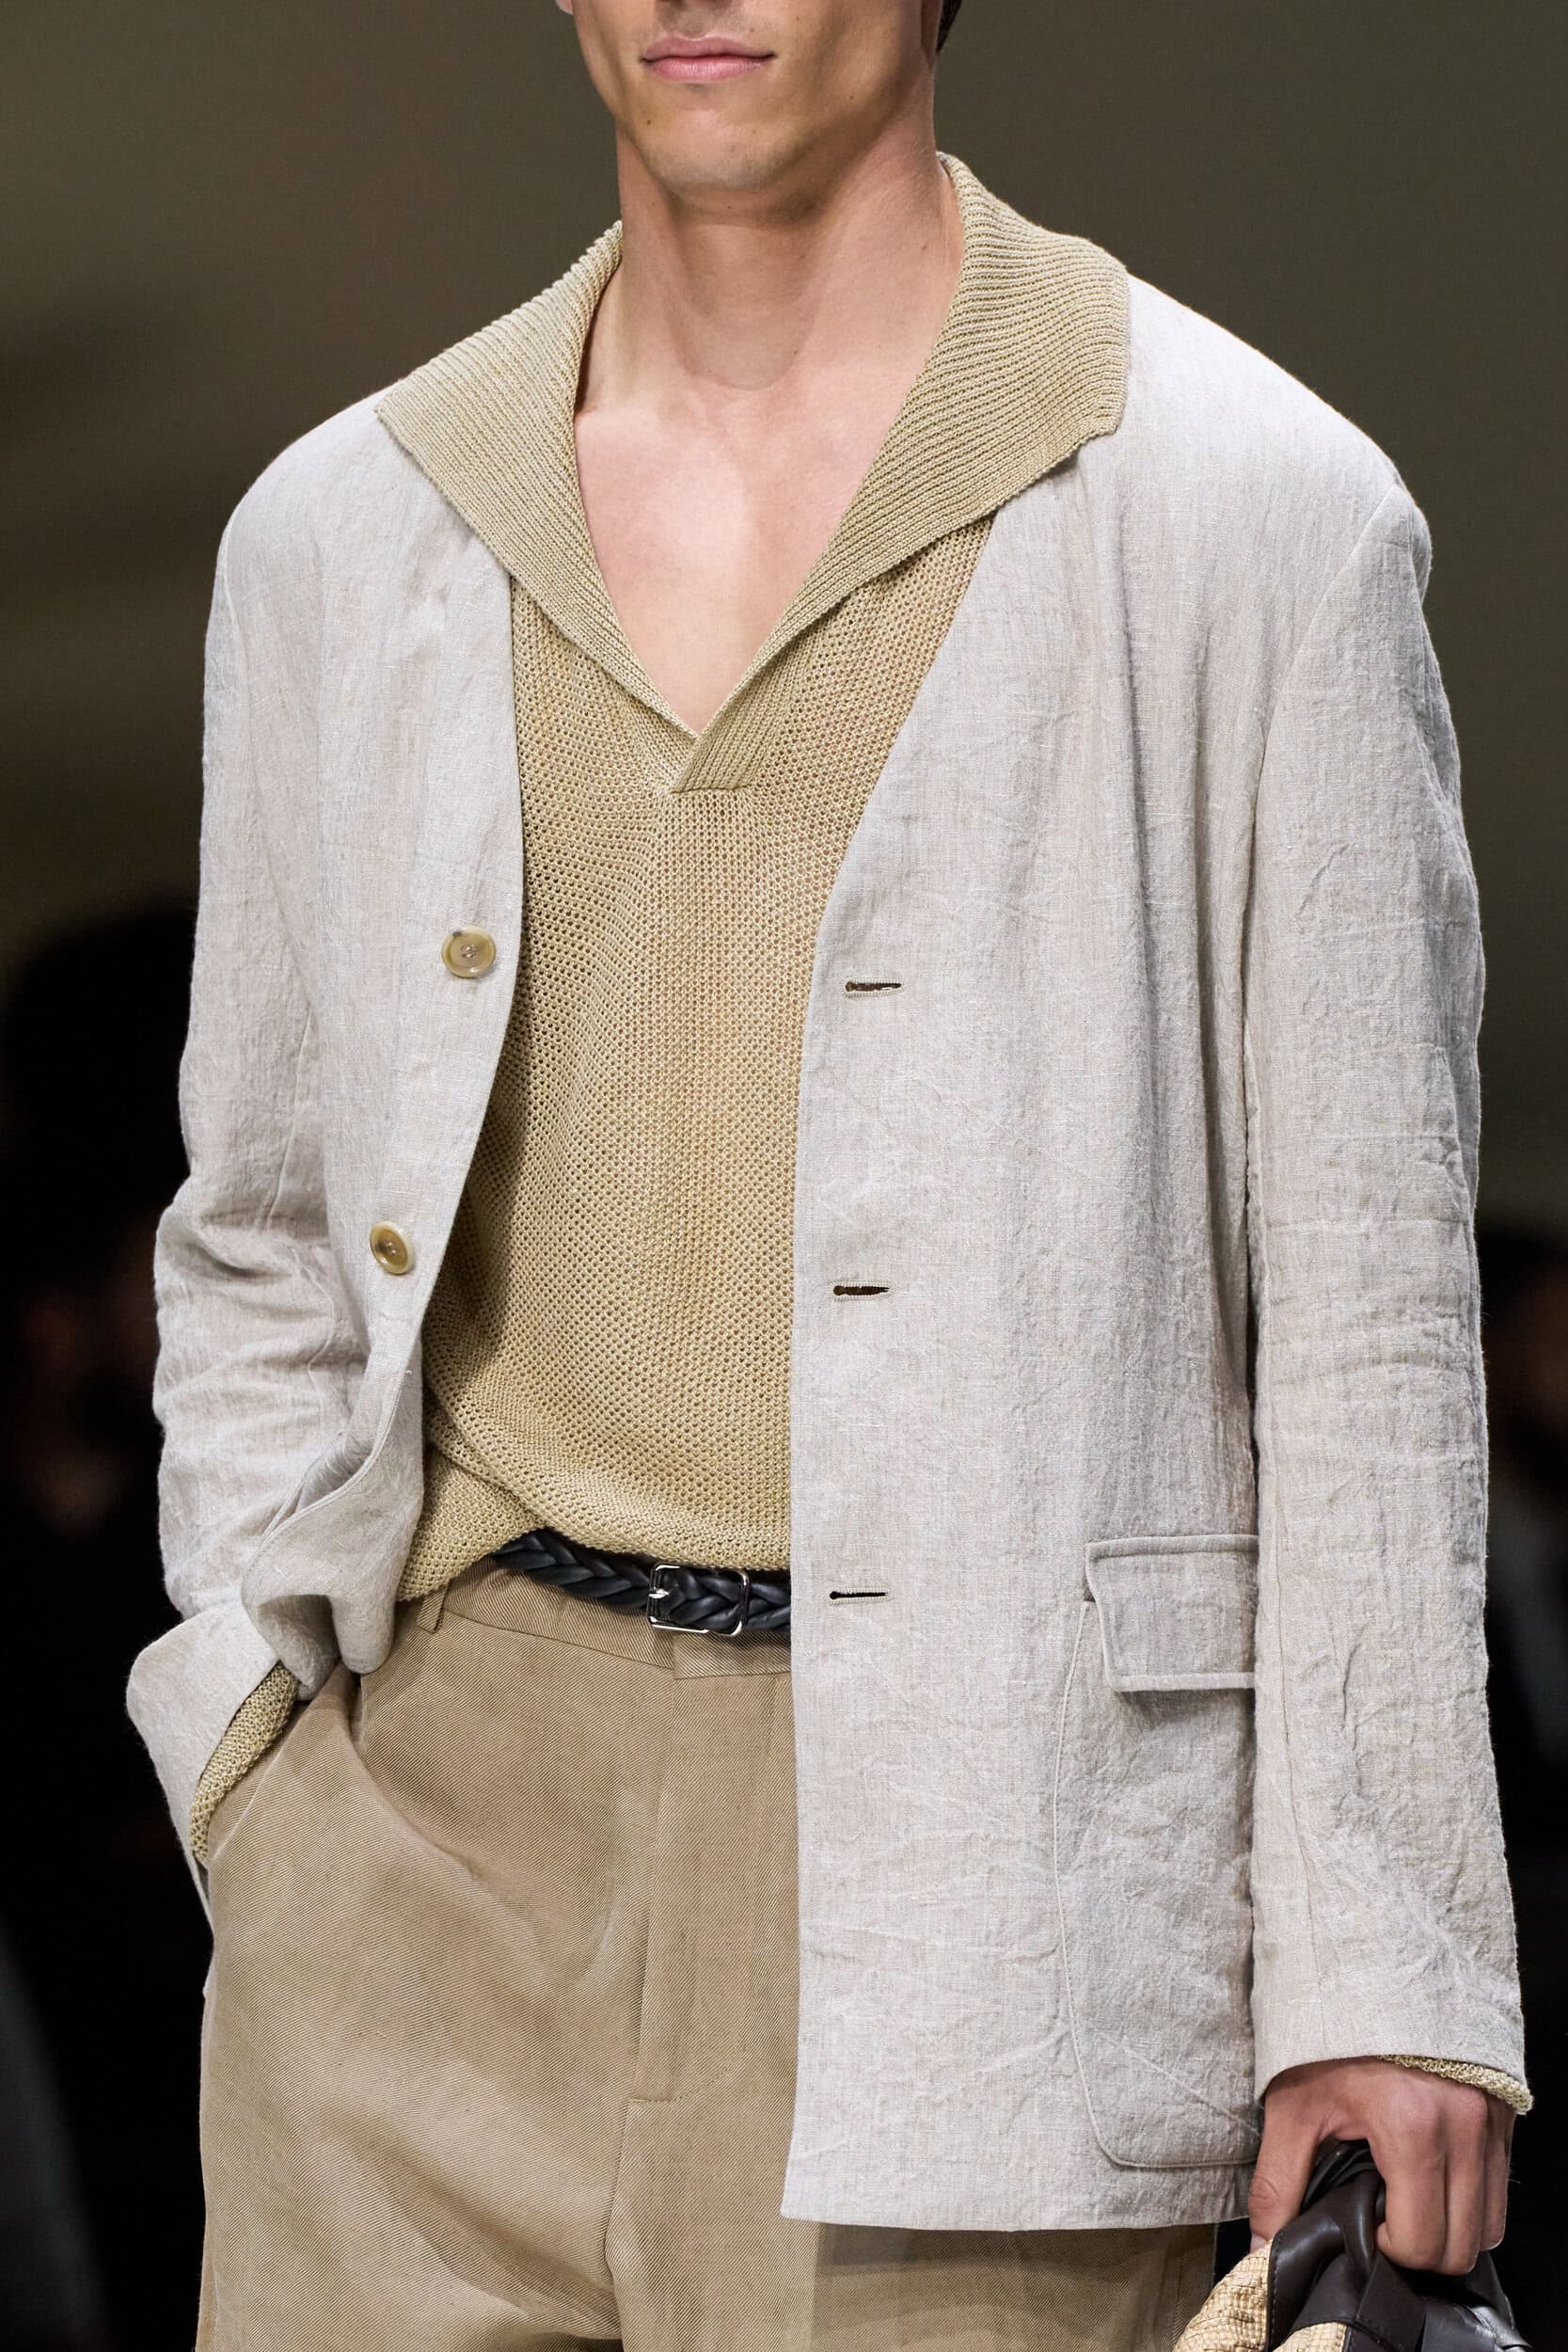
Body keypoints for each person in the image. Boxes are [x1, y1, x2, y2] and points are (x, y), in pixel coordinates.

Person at [126, 3, 1528, 2345]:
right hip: (417, 1875)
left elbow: (1369, 1310)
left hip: (999, 1886)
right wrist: (260, 1777)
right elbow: (260, 1223)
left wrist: (1390, 1961)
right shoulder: (345, 531)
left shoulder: (1258, 519)